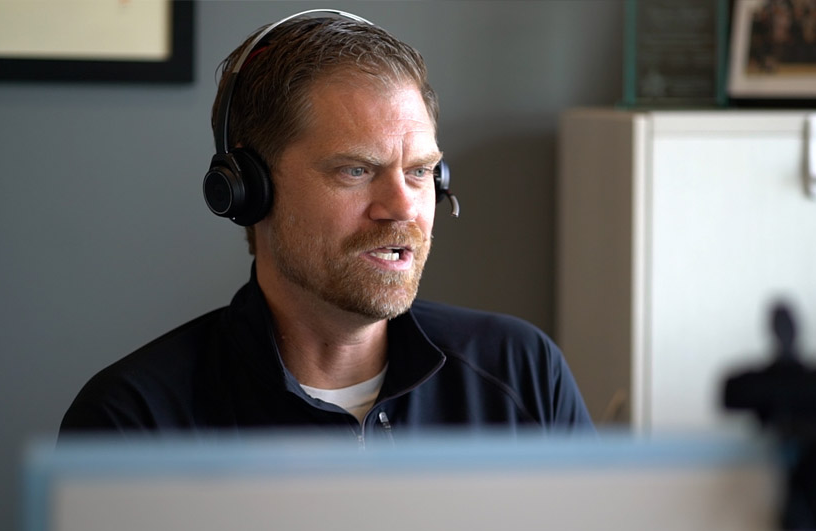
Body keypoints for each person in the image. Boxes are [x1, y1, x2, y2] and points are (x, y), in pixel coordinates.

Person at [60, 10, 594, 442]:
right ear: (249, 189)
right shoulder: (136, 421)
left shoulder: (522, 372)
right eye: (355, 170)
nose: (403, 207)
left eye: (420, 172)